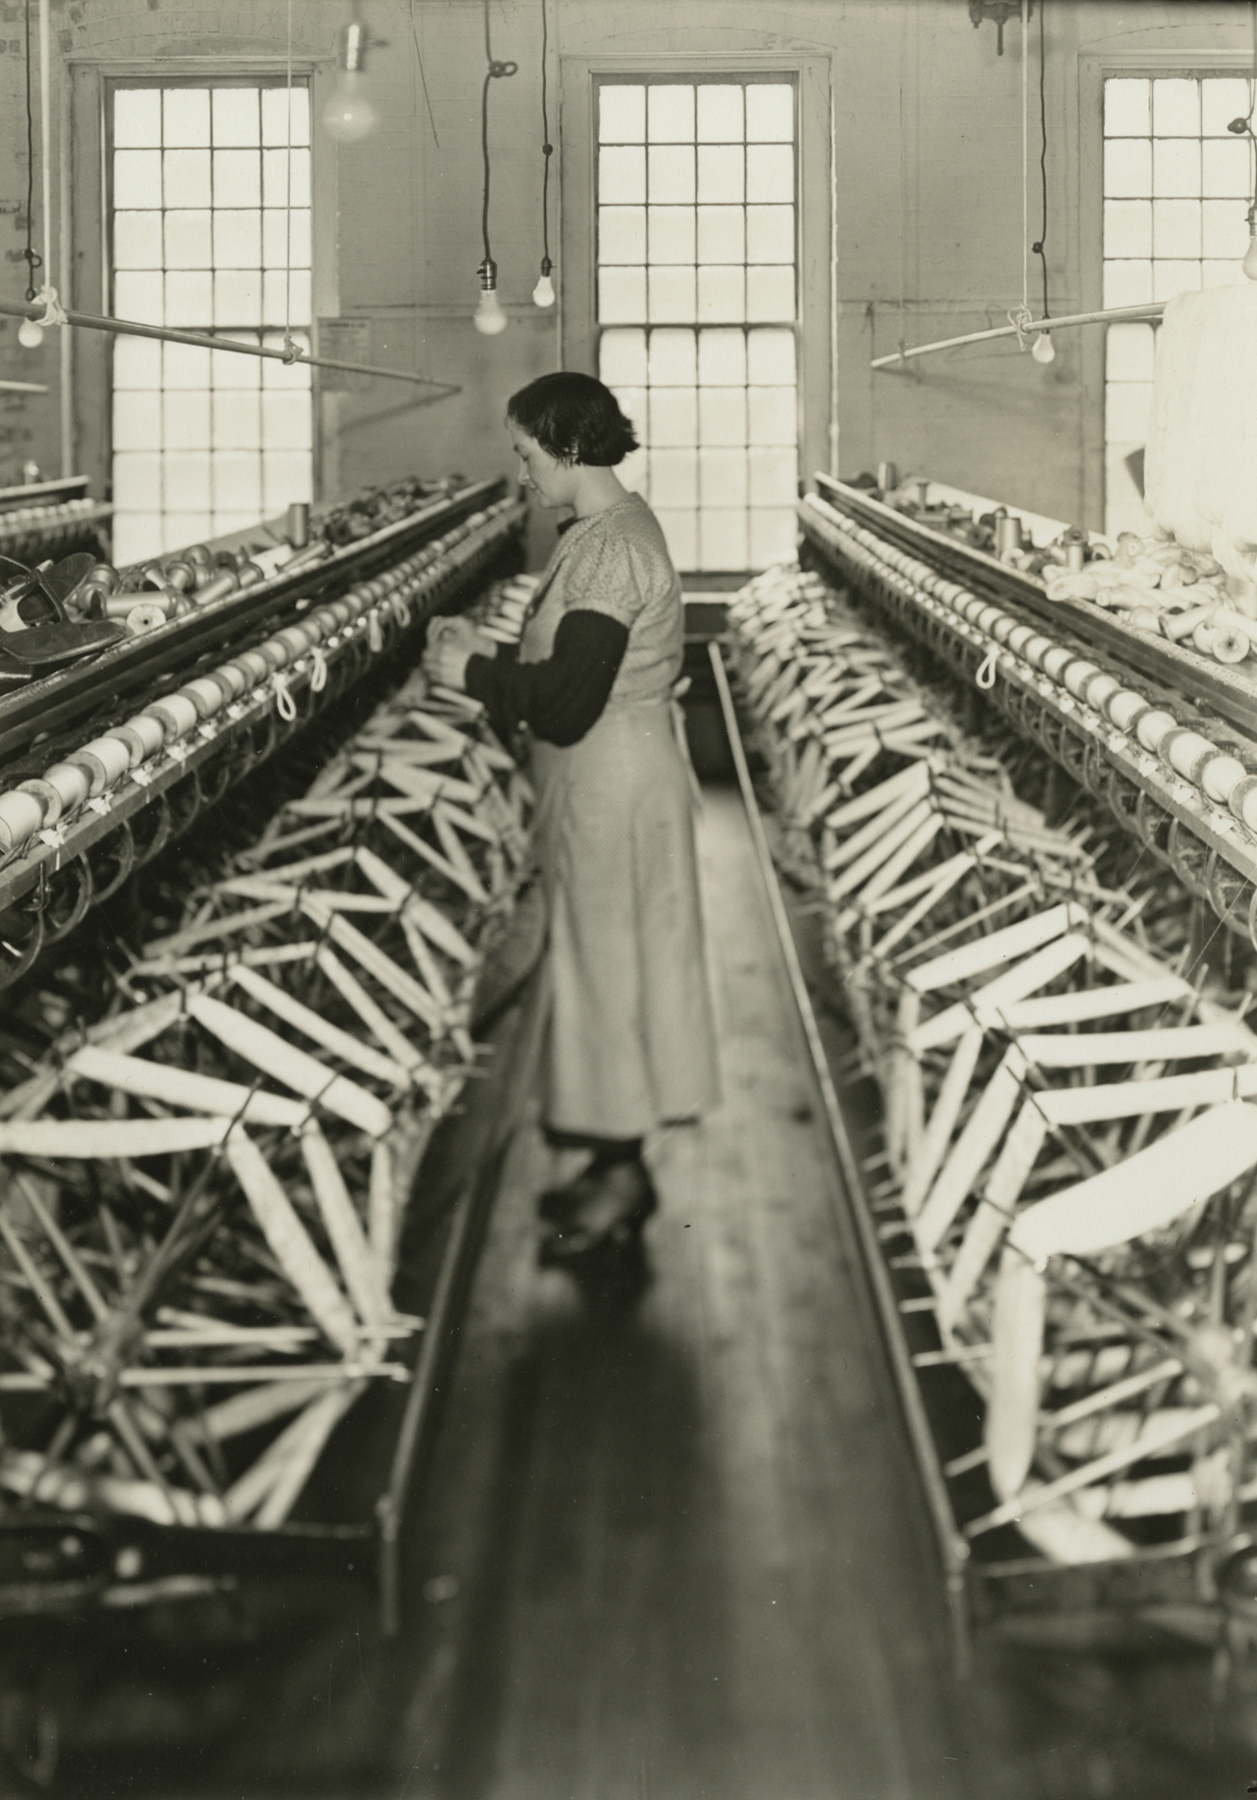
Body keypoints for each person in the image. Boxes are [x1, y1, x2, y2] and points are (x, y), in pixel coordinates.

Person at [423, 371, 720, 1263]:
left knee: (610, 980)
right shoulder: (604, 532)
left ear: (564, 444)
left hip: (611, 788)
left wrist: (469, 671)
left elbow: (560, 701)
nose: (520, 473)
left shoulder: (608, 548)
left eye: (524, 454)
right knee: (610, 976)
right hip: (606, 783)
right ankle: (612, 1162)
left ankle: (621, 1182)